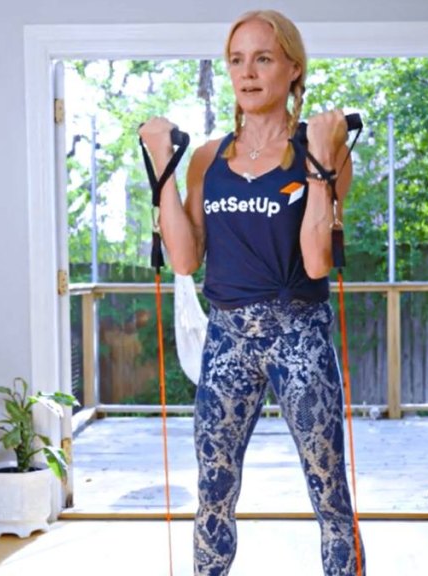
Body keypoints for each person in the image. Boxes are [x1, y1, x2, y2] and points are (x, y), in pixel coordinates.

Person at [139, 9, 365, 576]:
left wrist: (320, 161)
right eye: (237, 60)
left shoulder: (321, 148)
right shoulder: (208, 160)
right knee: (213, 491)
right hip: (227, 337)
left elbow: (317, 259)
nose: (248, 72)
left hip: (300, 333)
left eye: (263, 58)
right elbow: (186, 260)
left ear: (293, 68)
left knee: (329, 489)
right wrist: (164, 168)